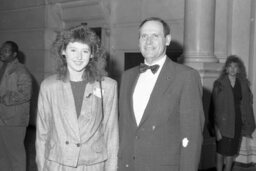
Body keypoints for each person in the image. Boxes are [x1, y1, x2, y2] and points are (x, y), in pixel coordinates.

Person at [118, 17, 205, 171]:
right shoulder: (127, 77)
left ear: (167, 40)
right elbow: (124, 129)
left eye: (155, 36)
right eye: (144, 36)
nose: (148, 41)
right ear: (139, 41)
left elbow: (192, 136)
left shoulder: (186, 77)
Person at [35, 25, 119, 171]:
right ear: (63, 51)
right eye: (73, 50)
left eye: (85, 51)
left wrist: (111, 168)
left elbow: (111, 133)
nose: (79, 57)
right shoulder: (48, 86)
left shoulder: (108, 86)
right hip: (58, 163)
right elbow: (42, 134)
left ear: (92, 54)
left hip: (93, 164)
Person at [212, 55, 255, 171]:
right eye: (230, 66)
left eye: (235, 67)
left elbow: (247, 104)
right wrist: (216, 129)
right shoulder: (219, 84)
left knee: (231, 153)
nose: (232, 69)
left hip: (237, 122)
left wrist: (248, 122)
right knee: (220, 153)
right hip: (222, 124)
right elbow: (213, 107)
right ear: (226, 69)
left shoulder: (243, 84)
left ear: (239, 69)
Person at [0, 41, 32, 171]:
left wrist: (2, 98)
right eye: (1, 49)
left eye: (6, 50)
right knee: (3, 154)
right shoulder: (4, 67)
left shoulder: (21, 71)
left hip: (14, 120)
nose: (2, 51)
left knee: (15, 155)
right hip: (3, 117)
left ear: (14, 54)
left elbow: (26, 94)